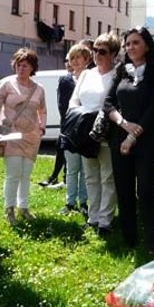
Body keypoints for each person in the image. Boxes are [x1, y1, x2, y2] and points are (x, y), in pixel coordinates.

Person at [105, 26, 154, 253]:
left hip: (146, 140)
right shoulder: (122, 70)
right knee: (123, 189)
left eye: (136, 43)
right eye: (128, 44)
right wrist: (123, 124)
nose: (131, 47)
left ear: (147, 46)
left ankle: (152, 239)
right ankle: (129, 237)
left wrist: (132, 136)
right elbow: (108, 103)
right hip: (119, 137)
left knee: (146, 189)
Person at [69, 32, 119, 235]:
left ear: (113, 53)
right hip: (85, 132)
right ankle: (93, 216)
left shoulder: (118, 75)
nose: (97, 54)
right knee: (90, 176)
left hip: (106, 132)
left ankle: (106, 220)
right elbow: (73, 100)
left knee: (107, 177)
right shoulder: (86, 74)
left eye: (102, 51)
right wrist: (80, 115)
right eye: (95, 50)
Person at [0, 48, 47, 225]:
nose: (21, 68)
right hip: (12, 136)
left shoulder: (39, 89)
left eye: (25, 65)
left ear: (32, 68)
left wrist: (42, 127)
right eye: (18, 65)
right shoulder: (7, 84)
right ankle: (9, 210)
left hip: (32, 137)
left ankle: (23, 207)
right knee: (13, 173)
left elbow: (43, 110)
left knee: (26, 174)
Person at [59, 45, 90, 215]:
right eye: (72, 58)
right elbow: (63, 107)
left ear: (87, 59)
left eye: (79, 57)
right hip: (70, 131)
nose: (75, 61)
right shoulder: (65, 81)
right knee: (71, 170)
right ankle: (70, 202)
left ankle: (84, 202)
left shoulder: (92, 79)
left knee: (86, 171)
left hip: (86, 132)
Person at [39, 59, 69, 188]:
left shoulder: (81, 78)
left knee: (67, 151)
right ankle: (55, 176)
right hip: (65, 122)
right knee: (61, 149)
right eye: (67, 60)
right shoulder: (64, 79)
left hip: (74, 123)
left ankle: (63, 178)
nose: (68, 62)